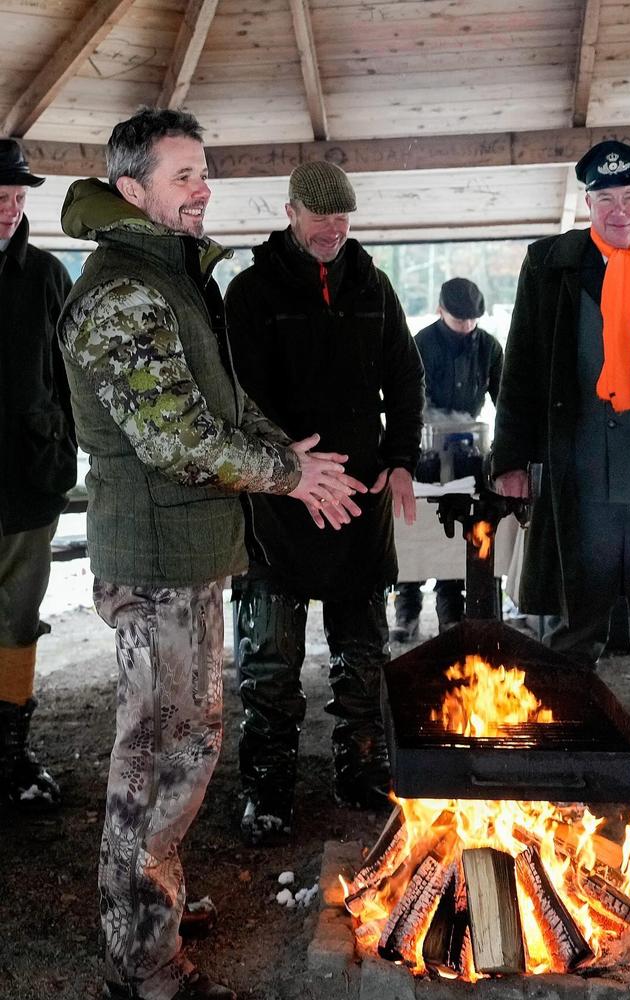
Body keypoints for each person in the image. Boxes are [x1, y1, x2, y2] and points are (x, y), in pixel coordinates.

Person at [57, 109, 363, 1000]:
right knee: (154, 757)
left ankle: (154, 898)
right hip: (153, 559)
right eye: (184, 175)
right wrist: (288, 474)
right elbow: (177, 438)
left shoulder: (174, 279)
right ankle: (143, 961)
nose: (202, 190)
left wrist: (296, 459)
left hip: (189, 556)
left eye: (204, 173)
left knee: (188, 745)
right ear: (131, 190)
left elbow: (225, 407)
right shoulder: (121, 292)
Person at [224, 160, 424, 846]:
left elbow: (405, 377)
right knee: (270, 660)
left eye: (342, 219)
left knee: (362, 652)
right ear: (290, 212)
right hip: (277, 502)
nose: (331, 230)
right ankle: (268, 785)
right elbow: (241, 400)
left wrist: (400, 460)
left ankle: (361, 768)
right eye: (319, 218)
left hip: (361, 498)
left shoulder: (373, 286)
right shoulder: (250, 293)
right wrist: (292, 471)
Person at [492, 139, 630, 669]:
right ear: (588, 204)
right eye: (605, 199)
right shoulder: (550, 264)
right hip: (580, 475)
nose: (620, 211)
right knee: (575, 627)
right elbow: (522, 370)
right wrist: (510, 460)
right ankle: (567, 744)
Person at [0, 139, 76, 810]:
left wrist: (65, 455)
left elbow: (70, 379)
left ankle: (10, 756)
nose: (8, 211)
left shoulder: (49, 276)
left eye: (17, 200)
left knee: (17, 621)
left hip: (29, 480)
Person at [391, 277, 503, 642]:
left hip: (469, 453)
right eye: (460, 320)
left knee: (457, 527)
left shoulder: (489, 347)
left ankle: (451, 611)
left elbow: (504, 399)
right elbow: (408, 399)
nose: (468, 327)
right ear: (441, 311)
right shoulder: (420, 344)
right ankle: (406, 610)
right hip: (423, 450)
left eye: (473, 320)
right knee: (415, 528)